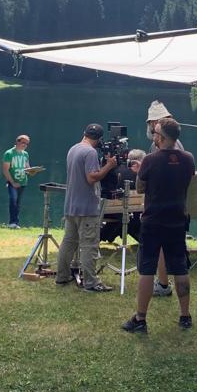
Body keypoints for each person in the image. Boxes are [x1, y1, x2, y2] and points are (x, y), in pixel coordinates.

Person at [122, 118, 196, 333]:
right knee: (180, 267)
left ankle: (140, 318)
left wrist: (141, 173)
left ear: (161, 138)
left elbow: (140, 188)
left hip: (153, 220)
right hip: (177, 219)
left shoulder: (150, 160)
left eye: (155, 132)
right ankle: (185, 316)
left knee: (147, 269)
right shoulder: (188, 159)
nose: (153, 135)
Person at [55, 124, 118, 292]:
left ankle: (61, 276)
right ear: (99, 139)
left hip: (71, 205)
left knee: (68, 243)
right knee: (89, 245)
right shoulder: (90, 152)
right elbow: (92, 178)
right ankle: (91, 283)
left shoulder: (73, 149)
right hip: (87, 207)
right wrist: (109, 166)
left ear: (84, 133)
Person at [145, 101, 186, 298]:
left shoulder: (164, 147)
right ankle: (163, 282)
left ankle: (162, 284)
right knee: (170, 250)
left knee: (161, 248)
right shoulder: (177, 147)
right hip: (176, 206)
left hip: (161, 207)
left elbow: (151, 179)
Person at [1, 134, 31, 229]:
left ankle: (16, 223)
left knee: (18, 203)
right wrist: (13, 182)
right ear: (17, 142)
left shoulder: (25, 154)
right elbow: (5, 170)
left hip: (23, 182)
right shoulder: (9, 153)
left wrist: (32, 171)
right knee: (13, 201)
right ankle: (12, 222)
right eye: (23, 143)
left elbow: (27, 168)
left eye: (27, 144)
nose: (25, 145)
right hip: (12, 182)